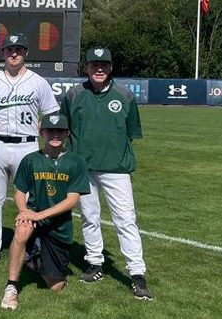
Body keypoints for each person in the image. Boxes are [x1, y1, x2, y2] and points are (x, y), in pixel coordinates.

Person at [60, 47, 153, 300]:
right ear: (86, 67)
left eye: (103, 65)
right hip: (84, 169)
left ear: (111, 67)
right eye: (93, 65)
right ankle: (95, 263)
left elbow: (131, 132)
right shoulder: (74, 95)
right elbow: (63, 129)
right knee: (90, 217)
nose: (98, 69)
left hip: (116, 170)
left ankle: (137, 273)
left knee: (125, 220)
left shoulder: (125, 96)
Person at [0, 35, 60, 268]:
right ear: (3, 52)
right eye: (10, 49)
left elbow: (52, 114)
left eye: (19, 49)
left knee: (31, 200)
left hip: (27, 145)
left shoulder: (38, 82)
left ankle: (30, 247)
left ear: (26, 53)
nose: (14, 53)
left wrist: (42, 134)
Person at [0, 113, 90, 310]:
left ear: (67, 134)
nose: (55, 135)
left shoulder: (76, 162)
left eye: (60, 131)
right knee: (22, 229)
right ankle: (11, 287)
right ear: (41, 133)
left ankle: (33, 258)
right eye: (50, 131)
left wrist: (38, 215)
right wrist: (24, 212)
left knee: (56, 286)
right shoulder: (31, 160)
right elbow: (19, 191)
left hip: (59, 226)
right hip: (33, 217)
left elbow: (72, 201)